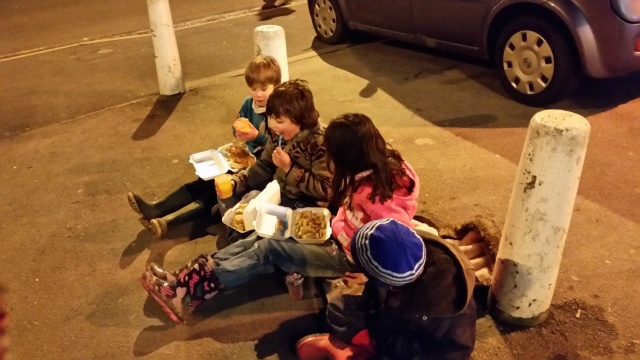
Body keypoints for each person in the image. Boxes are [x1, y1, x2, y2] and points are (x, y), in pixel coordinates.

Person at [139, 112, 421, 324]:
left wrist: (370, 270)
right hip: (337, 233)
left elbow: (397, 245)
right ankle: (185, 280)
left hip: (348, 256)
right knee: (262, 234)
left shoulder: (383, 196)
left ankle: (188, 295)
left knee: (268, 250)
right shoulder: (370, 168)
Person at [126, 55, 281, 240]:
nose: (259, 94)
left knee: (215, 192)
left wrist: (257, 136)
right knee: (205, 181)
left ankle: (167, 222)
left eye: (264, 89)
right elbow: (237, 125)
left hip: (262, 169)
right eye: (254, 89)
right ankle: (157, 209)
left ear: (276, 86)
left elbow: (278, 146)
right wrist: (237, 130)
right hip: (243, 158)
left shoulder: (279, 110)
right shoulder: (249, 104)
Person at [296, 218, 477, 360]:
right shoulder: (410, 251)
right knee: (337, 307)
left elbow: (452, 354)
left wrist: (391, 343)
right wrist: (370, 284)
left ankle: (357, 351)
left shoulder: (449, 308)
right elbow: (378, 291)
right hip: (387, 320)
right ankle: (361, 349)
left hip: (406, 344)